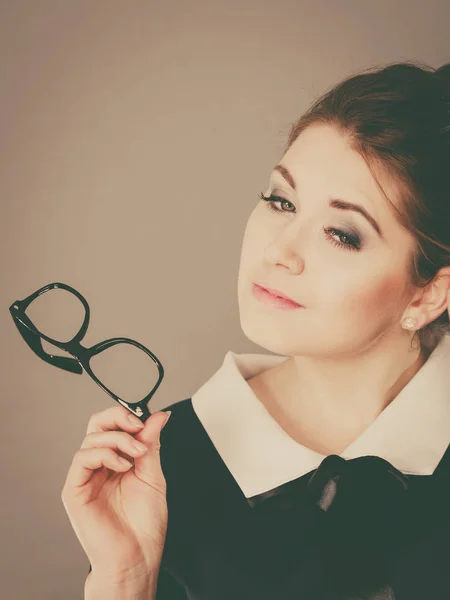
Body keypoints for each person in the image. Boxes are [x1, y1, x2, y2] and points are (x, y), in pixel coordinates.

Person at [61, 60, 450, 600]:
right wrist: (124, 581)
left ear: (430, 293)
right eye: (280, 201)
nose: (278, 251)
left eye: (341, 234)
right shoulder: (161, 467)